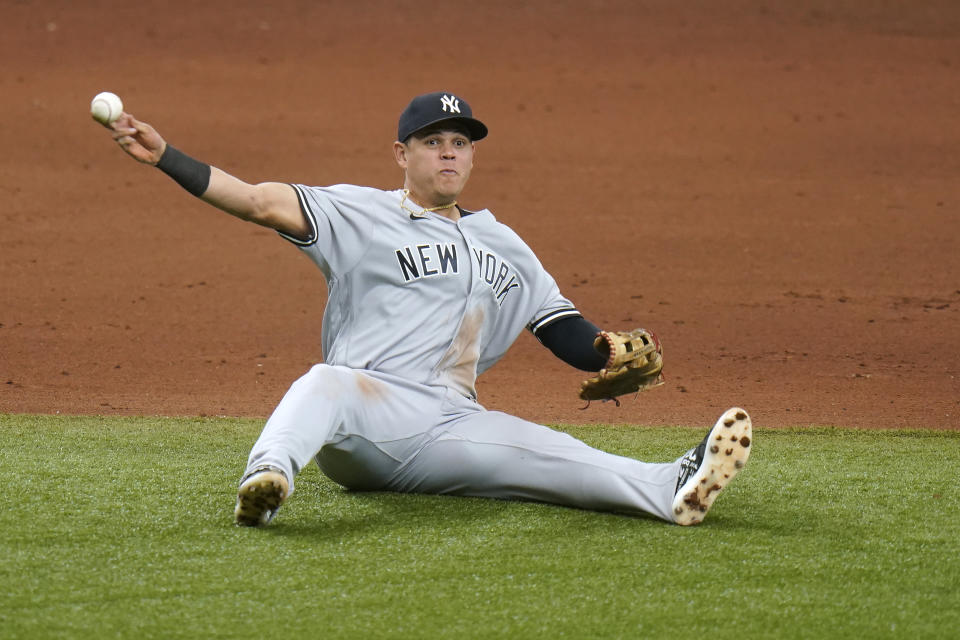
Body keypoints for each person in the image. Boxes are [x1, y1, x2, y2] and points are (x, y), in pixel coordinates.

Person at [104, 91, 752, 527]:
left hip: (447, 429)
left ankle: (673, 485)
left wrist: (607, 351)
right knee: (325, 381)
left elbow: (557, 324)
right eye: (434, 140)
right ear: (402, 154)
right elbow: (254, 201)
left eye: (460, 143)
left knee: (547, 451)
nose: (449, 152)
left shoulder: (505, 243)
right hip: (365, 413)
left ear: (473, 156)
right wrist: (166, 158)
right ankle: (269, 477)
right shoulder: (360, 212)